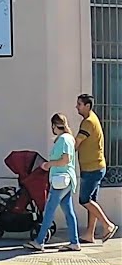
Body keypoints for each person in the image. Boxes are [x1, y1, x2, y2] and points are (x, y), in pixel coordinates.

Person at [26, 113, 81, 252]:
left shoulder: (63, 139)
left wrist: (49, 164)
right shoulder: (68, 138)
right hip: (66, 180)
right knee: (68, 212)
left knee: (49, 210)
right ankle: (74, 242)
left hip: (60, 180)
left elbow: (65, 159)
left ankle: (39, 241)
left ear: (55, 125)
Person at [74, 93, 117, 243]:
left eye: (79, 104)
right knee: (92, 201)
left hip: (92, 168)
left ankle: (108, 225)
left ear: (87, 106)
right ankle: (89, 234)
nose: (76, 107)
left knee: (84, 200)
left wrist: (63, 149)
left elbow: (77, 143)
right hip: (96, 166)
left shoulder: (88, 122)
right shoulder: (93, 119)